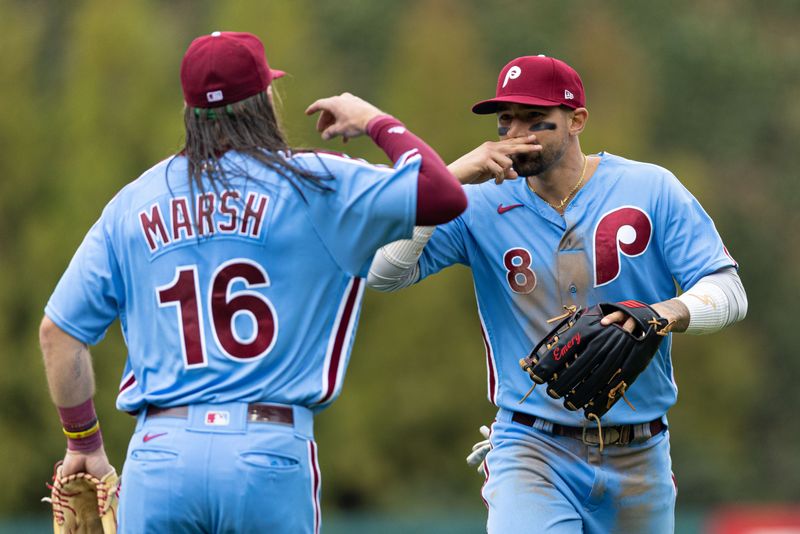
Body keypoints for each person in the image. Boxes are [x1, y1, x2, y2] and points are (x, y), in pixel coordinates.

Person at [39, 31, 466, 533]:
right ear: (265, 99)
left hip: (160, 454)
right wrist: (374, 120)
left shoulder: (133, 201)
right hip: (267, 451)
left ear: (187, 108)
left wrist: (83, 442)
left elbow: (58, 334)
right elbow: (443, 194)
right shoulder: (317, 183)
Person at [368, 55, 747, 533]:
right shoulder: (478, 202)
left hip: (640, 455)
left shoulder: (650, 188)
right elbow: (385, 273)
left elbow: (729, 291)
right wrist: (446, 180)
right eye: (505, 119)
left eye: (534, 118)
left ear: (577, 121)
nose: (514, 132)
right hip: (532, 448)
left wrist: (662, 313)